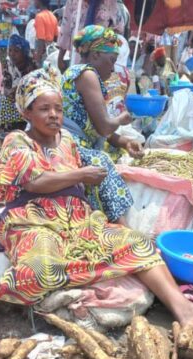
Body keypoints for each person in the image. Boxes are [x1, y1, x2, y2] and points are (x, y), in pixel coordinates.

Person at [0, 68, 193, 328]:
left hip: (79, 221)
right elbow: (35, 182)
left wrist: (119, 146)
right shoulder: (18, 141)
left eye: (58, 109)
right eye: (43, 109)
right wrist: (80, 175)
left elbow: (98, 161)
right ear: (26, 112)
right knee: (41, 269)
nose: (54, 115)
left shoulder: (67, 141)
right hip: (33, 220)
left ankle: (184, 309)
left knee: (137, 243)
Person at [61, 26, 143, 223]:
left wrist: (124, 142)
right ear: (96, 54)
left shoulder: (80, 72)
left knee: (115, 153)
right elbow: (104, 127)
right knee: (102, 164)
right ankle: (122, 228)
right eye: (112, 60)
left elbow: (94, 127)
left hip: (79, 139)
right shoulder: (86, 74)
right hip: (69, 143)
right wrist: (122, 119)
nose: (113, 68)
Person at [56, 0, 121, 72]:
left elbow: (116, 29)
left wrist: (111, 61)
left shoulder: (111, 2)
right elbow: (66, 28)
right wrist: (60, 57)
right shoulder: (73, 2)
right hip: (77, 56)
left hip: (100, 57)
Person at [0, 35, 38, 132]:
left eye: (16, 51)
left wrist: (18, 90)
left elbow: (34, 85)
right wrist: (9, 92)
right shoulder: (9, 64)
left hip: (27, 99)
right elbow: (5, 82)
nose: (12, 54)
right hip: (12, 100)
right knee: (5, 101)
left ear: (24, 52)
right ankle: (8, 131)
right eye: (10, 50)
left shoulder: (31, 66)